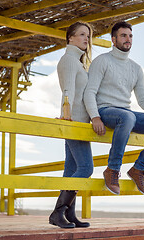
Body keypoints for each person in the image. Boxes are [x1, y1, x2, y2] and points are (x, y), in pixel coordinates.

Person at [84, 21, 144, 197]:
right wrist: (94, 116)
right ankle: (112, 169)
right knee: (127, 117)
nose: (128, 39)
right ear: (113, 39)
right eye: (123, 35)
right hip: (105, 111)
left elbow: (143, 100)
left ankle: (139, 169)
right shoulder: (102, 61)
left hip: (126, 114)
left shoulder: (136, 68)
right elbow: (90, 92)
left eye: (130, 36)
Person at [49, 21, 94, 229]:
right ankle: (58, 212)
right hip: (74, 122)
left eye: (88, 35)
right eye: (82, 34)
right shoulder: (68, 60)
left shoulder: (77, 62)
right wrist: (67, 117)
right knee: (86, 167)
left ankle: (69, 214)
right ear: (70, 38)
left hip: (80, 123)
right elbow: (68, 91)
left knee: (72, 170)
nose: (86, 38)